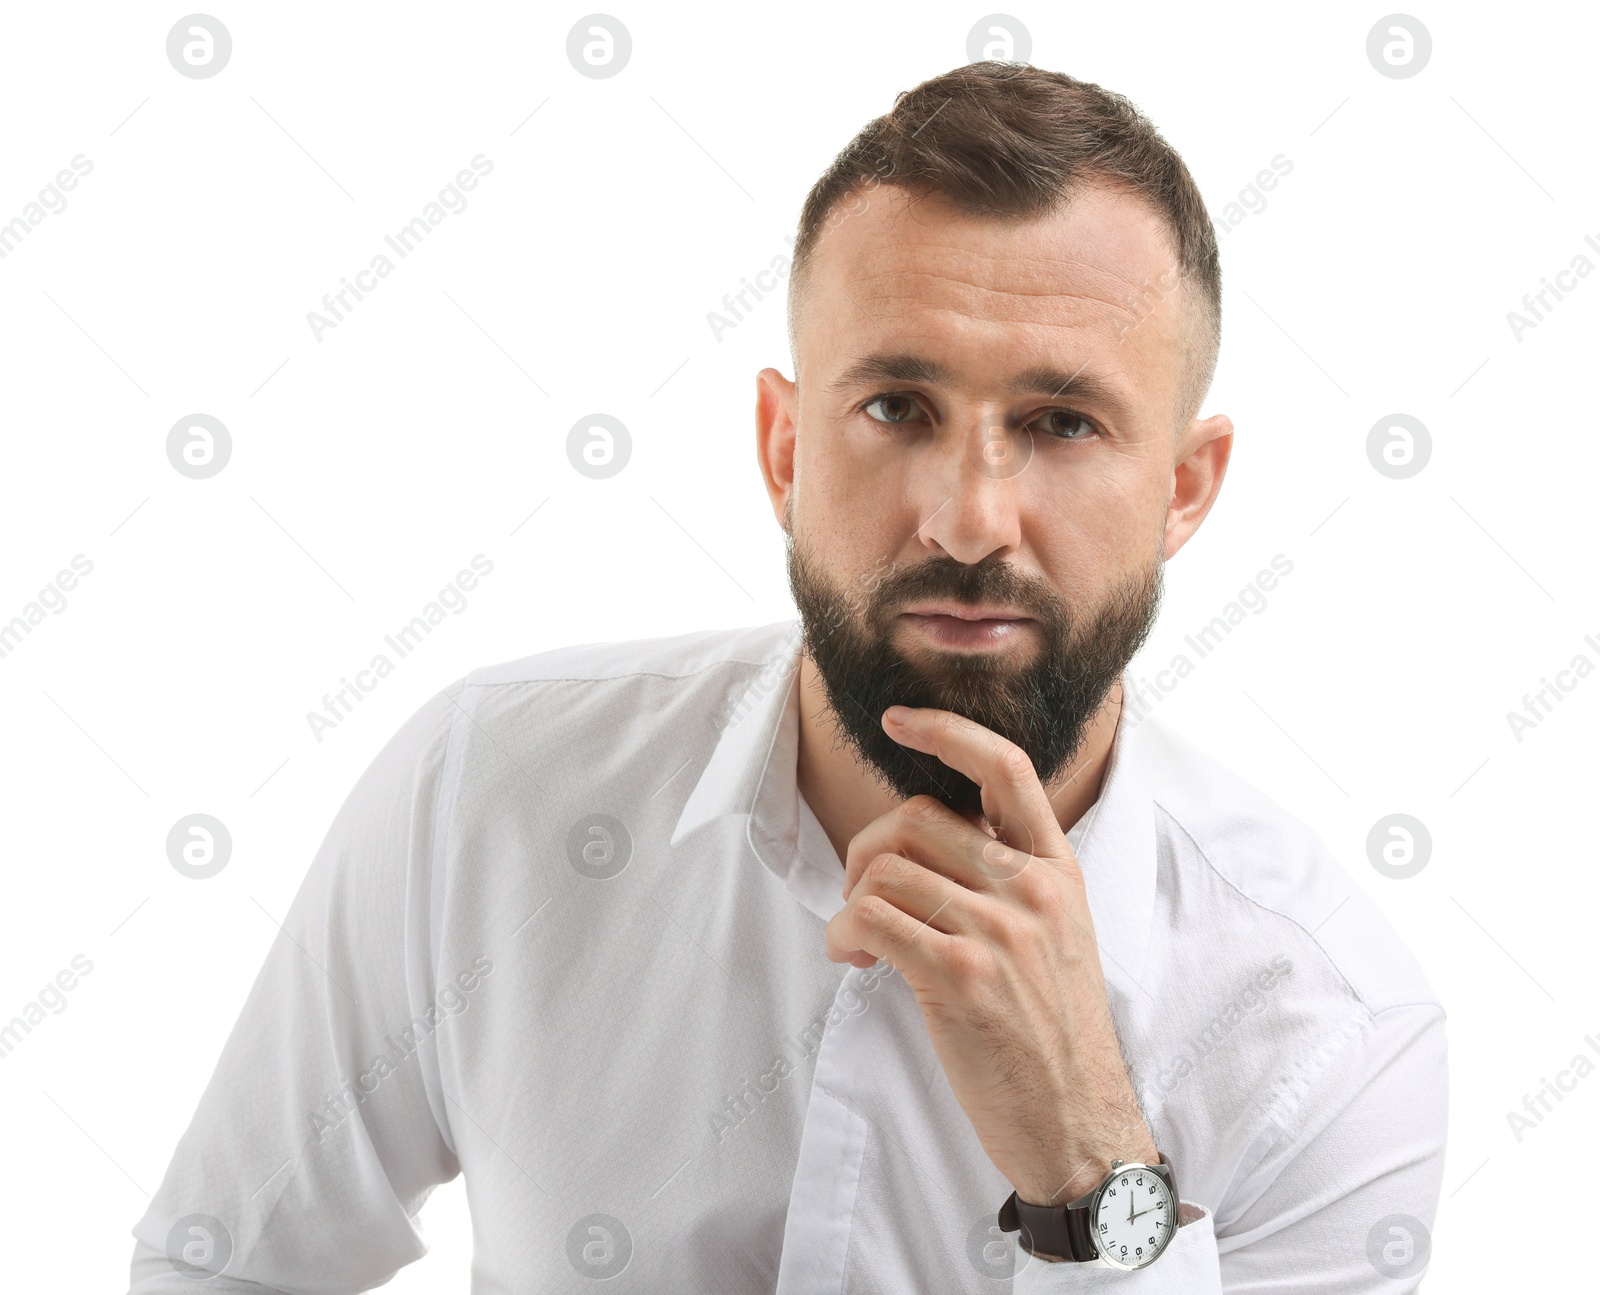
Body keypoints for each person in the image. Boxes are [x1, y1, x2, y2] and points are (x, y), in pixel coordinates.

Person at [130, 61, 1445, 1292]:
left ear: (1183, 489)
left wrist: (1092, 1165)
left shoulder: (1330, 1028)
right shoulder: (483, 793)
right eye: (895, 408)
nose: (971, 518)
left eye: (1060, 424)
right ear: (781, 449)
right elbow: (227, 1262)